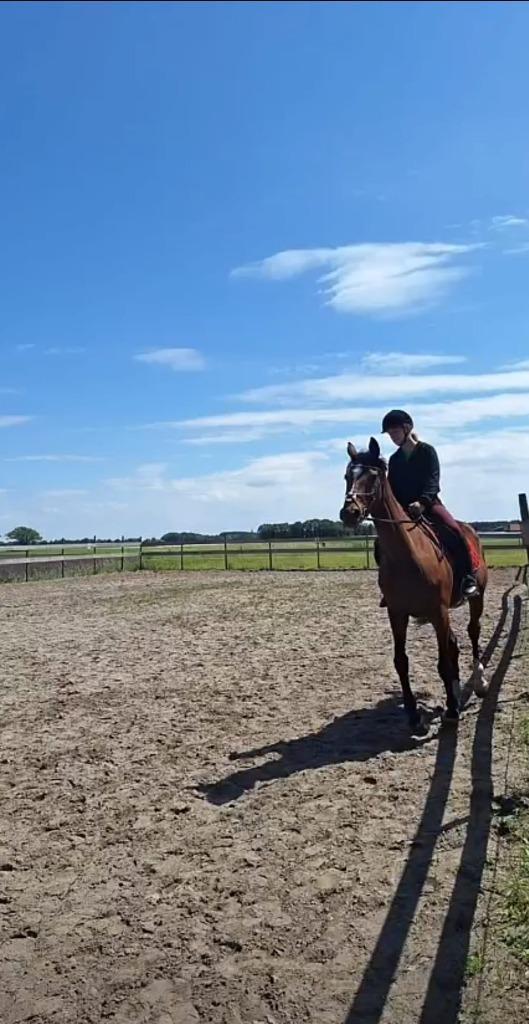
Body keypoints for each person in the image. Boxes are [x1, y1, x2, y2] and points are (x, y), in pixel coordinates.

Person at [380, 409, 478, 600]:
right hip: (404, 511)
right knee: (381, 543)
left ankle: (467, 578)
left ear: (406, 428)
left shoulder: (427, 451)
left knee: (454, 531)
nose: (392, 437)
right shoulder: (395, 459)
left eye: (395, 432)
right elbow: (392, 488)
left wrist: (423, 502)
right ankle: (390, 587)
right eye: (390, 434)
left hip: (429, 505)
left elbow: (433, 481)